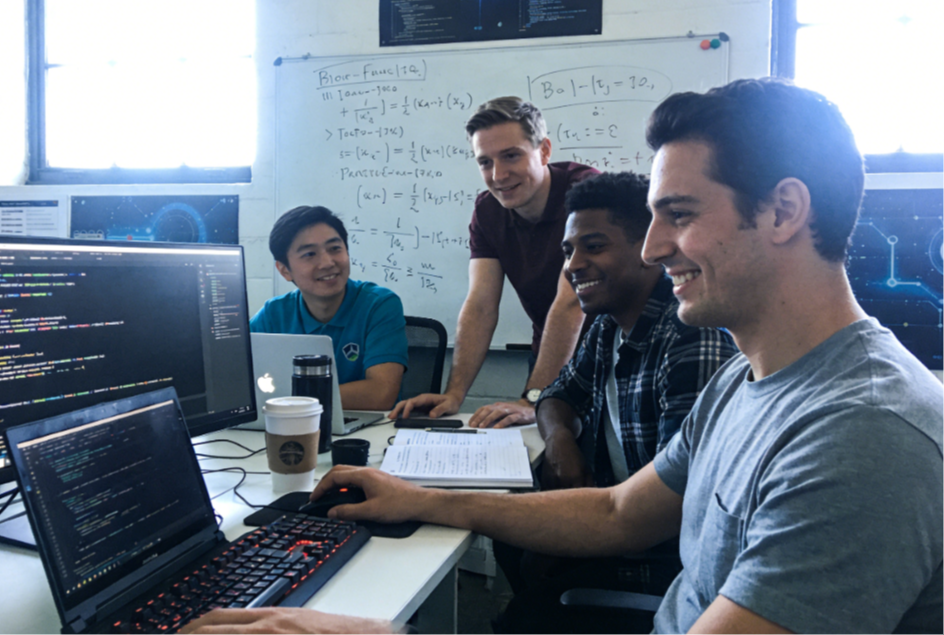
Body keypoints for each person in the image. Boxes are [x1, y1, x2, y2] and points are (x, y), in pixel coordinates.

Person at [185, 78, 944, 635]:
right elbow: (617, 512)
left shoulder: (862, 435)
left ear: (784, 211)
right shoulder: (746, 383)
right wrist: (421, 498)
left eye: (677, 215)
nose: (652, 248)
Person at [491, 171, 738, 634]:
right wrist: (560, 441)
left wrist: (571, 540)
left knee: (527, 614)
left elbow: (669, 512)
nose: (574, 265)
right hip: (619, 523)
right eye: (568, 251)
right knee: (510, 543)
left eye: (594, 247)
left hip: (663, 561)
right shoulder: (608, 326)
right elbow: (557, 395)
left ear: (648, 249)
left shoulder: (691, 338)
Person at [390, 97, 600, 428]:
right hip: (549, 353)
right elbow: (480, 305)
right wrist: (454, 394)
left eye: (511, 156)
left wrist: (532, 398)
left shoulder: (587, 194)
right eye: (485, 162)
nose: (498, 175)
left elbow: (570, 303)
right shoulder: (488, 211)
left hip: (617, 350)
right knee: (543, 450)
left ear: (544, 151)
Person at [250, 205, 407, 410]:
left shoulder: (378, 305)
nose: (327, 263)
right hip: (292, 424)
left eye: (335, 249)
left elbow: (380, 394)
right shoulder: (273, 314)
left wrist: (286, 397)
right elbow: (232, 377)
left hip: (368, 427)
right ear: (285, 270)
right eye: (309, 254)